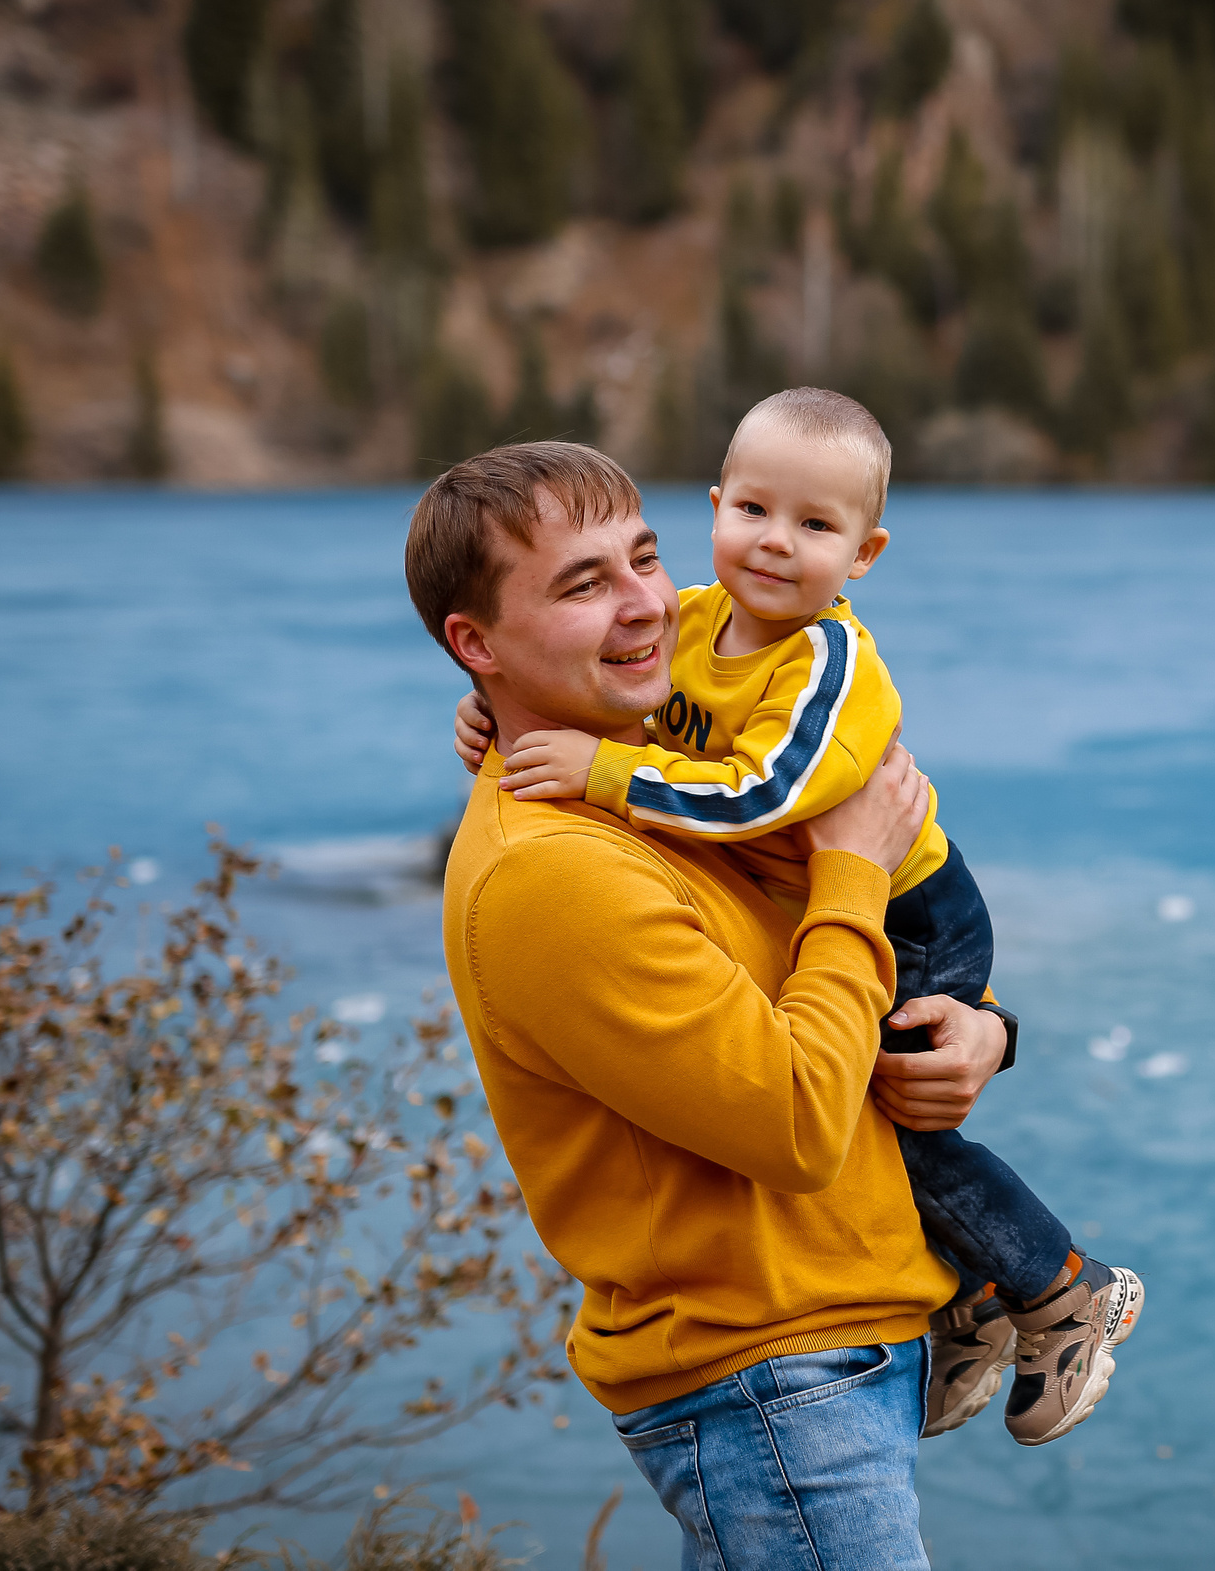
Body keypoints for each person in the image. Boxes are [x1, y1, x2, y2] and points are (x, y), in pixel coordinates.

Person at [450, 390, 1144, 1446]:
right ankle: (984, 1296)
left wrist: (603, 770)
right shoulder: (685, 625)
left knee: (896, 1119)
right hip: (762, 1354)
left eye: (815, 527)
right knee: (877, 1105)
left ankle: (1054, 1286)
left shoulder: (829, 663)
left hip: (915, 907)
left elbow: (760, 799)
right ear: (718, 505)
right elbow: (632, 702)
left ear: (863, 554)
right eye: (755, 513)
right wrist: (490, 716)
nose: (776, 545)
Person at [407, 441, 997, 1567]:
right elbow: (795, 1121)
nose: (646, 607)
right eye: (583, 586)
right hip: (771, 1384)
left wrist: (984, 1028)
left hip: (820, 1366)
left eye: (644, 558)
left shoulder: (657, 774)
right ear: (474, 644)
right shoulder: (554, 873)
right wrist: (853, 869)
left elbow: (801, 955)